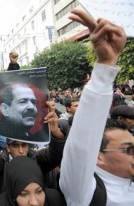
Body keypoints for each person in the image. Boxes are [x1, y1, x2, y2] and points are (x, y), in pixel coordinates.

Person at [59, 9, 134, 205]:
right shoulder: (85, 192)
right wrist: (105, 66)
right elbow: (81, 145)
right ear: (98, 157)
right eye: (128, 150)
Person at [0, 100, 65, 196]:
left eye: (24, 145)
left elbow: (56, 156)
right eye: (15, 145)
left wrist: (56, 132)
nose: (21, 151)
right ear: (8, 147)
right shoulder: (1, 164)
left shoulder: (38, 159)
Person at [0, 156, 64, 206]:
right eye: (24, 194)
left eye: (39, 191)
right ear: (12, 193)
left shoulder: (54, 200)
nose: (34, 203)